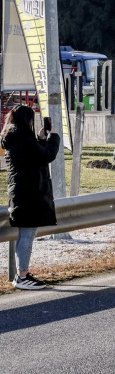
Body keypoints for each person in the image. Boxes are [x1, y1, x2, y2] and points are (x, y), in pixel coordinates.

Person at [2, 105, 59, 290]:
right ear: (27, 120)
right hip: (28, 193)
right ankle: (22, 276)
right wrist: (54, 137)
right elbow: (47, 156)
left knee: (27, 234)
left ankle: (22, 274)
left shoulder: (15, 137)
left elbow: (35, 155)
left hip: (22, 192)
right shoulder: (23, 139)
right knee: (27, 234)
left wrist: (42, 138)